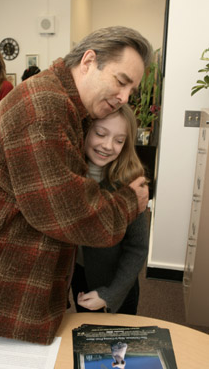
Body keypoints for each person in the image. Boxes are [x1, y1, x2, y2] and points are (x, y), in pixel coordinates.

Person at [0, 26, 152, 350]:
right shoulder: (43, 108)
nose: (125, 98)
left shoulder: (67, 107)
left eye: (131, 90)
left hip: (9, 297)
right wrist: (130, 201)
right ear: (88, 61)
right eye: (121, 81)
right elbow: (72, 215)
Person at [71, 105, 149, 314]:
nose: (108, 145)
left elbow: (137, 249)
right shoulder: (68, 177)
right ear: (85, 130)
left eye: (119, 140)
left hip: (118, 284)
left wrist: (111, 294)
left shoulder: (130, 183)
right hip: (81, 275)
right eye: (100, 134)